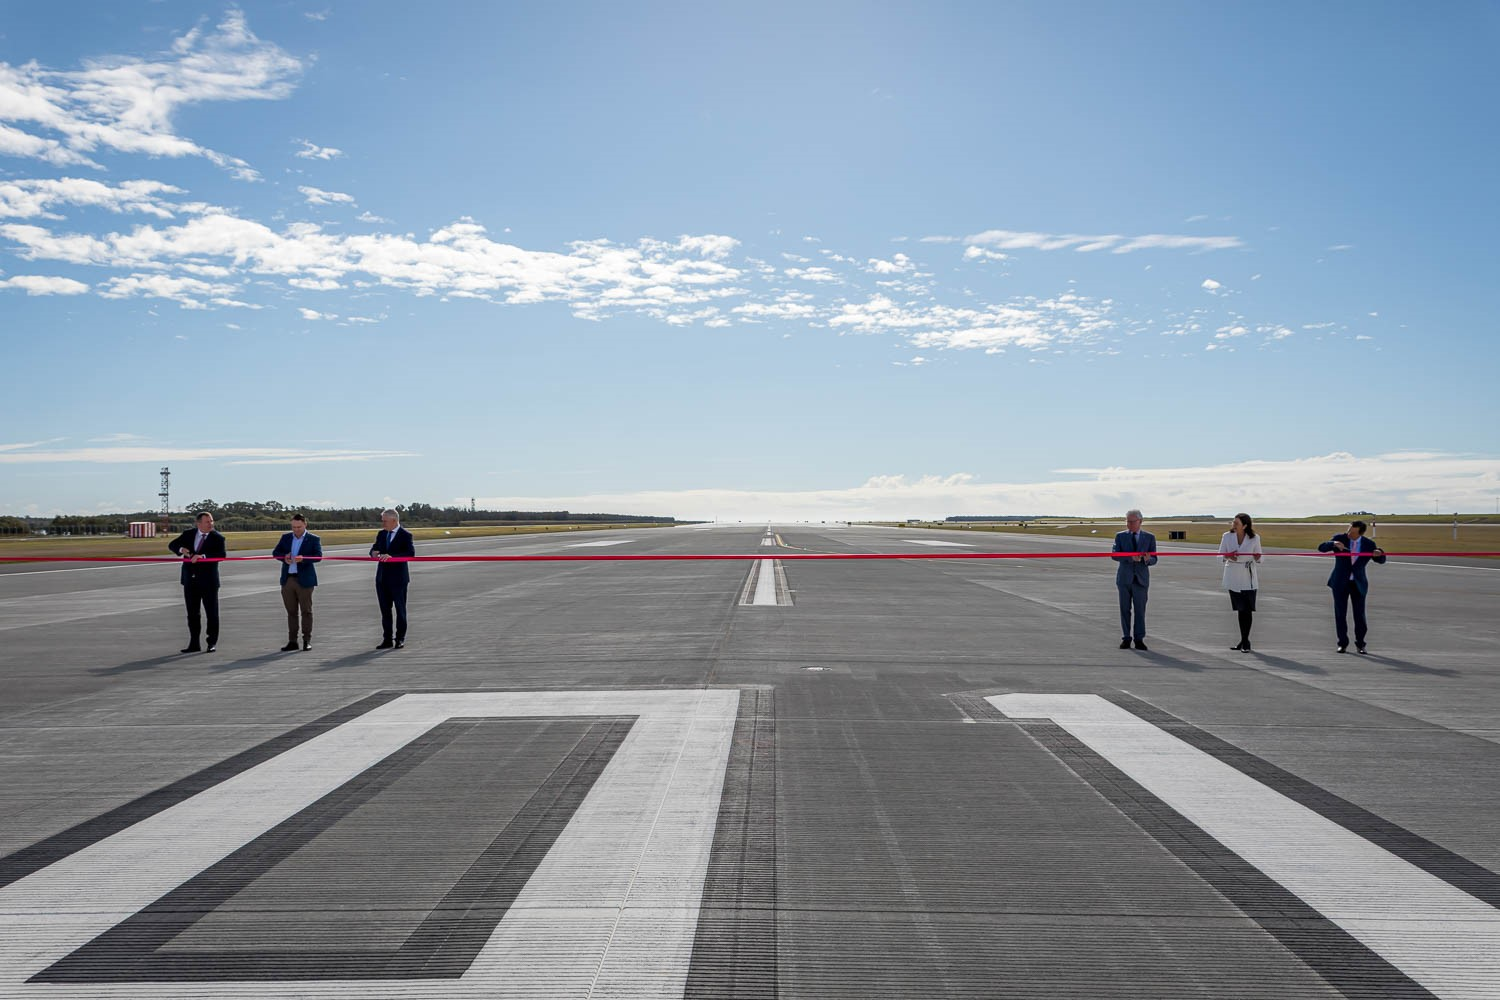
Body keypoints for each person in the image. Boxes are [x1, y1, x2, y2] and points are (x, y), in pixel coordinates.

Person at [1317, 520, 1387, 653]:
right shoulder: (1340, 538)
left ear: (1360, 533)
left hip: (1358, 583)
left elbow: (1381, 560)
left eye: (1352, 532)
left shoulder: (1368, 544)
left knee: (1359, 615)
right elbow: (1321, 548)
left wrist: (1379, 553)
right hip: (1340, 583)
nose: (1348, 533)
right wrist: (1333, 544)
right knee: (1340, 614)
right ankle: (1342, 643)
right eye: (1348, 530)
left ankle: (1360, 644)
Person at [167, 511, 226, 653]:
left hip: (209, 582)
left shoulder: (218, 538)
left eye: (212, 521)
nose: (211, 524)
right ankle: (194, 643)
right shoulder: (188, 534)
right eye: (207, 522)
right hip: (190, 581)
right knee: (192, 614)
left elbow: (221, 555)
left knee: (212, 613)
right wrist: (182, 550)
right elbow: (172, 545)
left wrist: (203, 556)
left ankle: (211, 642)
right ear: (198, 523)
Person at [271, 513, 322, 651]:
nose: (296, 530)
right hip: (288, 579)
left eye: (299, 527)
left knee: (306, 611)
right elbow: (275, 552)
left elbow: (318, 556)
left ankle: (307, 640)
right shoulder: (286, 537)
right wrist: (284, 557)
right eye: (293, 527)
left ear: (305, 524)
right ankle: (292, 641)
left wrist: (303, 559)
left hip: (304, 581)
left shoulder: (313, 539)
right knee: (291, 612)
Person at [1110, 508, 1158, 650]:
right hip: (1124, 579)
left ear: (1140, 521)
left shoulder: (1149, 537)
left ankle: (1139, 638)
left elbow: (1155, 559)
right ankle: (1126, 637)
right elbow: (1114, 555)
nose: (1129, 524)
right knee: (1124, 609)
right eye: (1128, 522)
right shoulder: (1120, 536)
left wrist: (1148, 560)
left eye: (1132, 522)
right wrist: (1130, 558)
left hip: (1141, 580)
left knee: (1140, 610)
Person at [370, 508, 415, 649]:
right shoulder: (382, 534)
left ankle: (400, 638)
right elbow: (373, 549)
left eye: (385, 521)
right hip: (382, 579)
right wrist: (373, 553)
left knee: (400, 610)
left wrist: (393, 557)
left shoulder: (405, 535)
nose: (383, 524)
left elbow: (410, 553)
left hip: (398, 579)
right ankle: (387, 639)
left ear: (394, 520)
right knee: (385, 611)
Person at [1219, 513, 1263, 652]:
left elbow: (1260, 557)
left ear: (1245, 525)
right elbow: (1220, 555)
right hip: (1233, 576)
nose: (1233, 525)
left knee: (1247, 610)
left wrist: (1257, 558)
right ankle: (1244, 640)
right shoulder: (1227, 536)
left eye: (1236, 523)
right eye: (1233, 522)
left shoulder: (1255, 538)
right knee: (1240, 609)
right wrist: (1228, 556)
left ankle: (1245, 642)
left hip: (1248, 577)